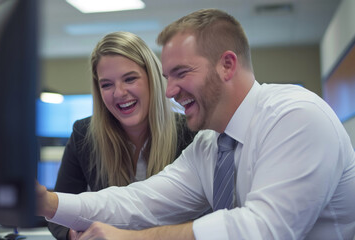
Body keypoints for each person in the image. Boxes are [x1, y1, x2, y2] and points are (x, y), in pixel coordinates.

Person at [37, 9, 355, 240]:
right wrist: (48, 202)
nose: (169, 91)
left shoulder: (295, 115)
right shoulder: (210, 145)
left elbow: (261, 229)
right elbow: (138, 202)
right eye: (167, 77)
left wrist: (132, 239)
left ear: (227, 65)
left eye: (181, 73)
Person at [47, 31, 196, 240]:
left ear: (152, 78)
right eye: (106, 84)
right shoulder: (84, 135)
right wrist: (75, 236)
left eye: (130, 79)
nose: (118, 93)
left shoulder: (192, 134)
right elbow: (59, 210)